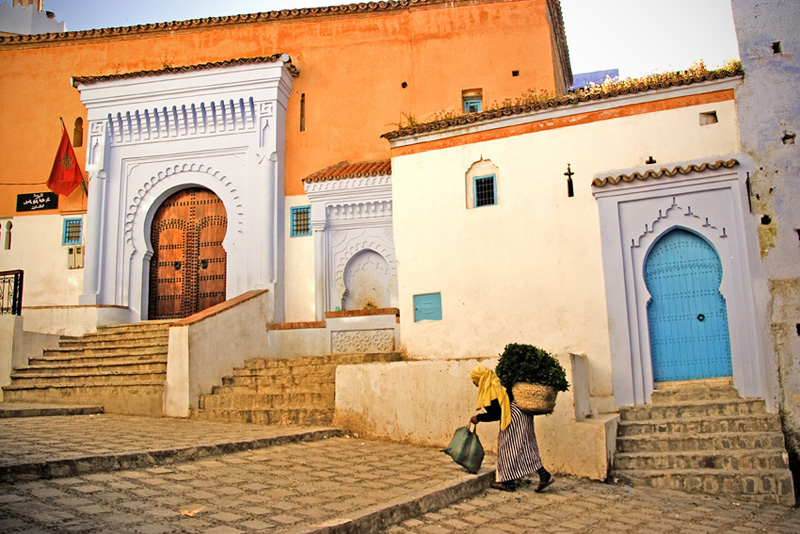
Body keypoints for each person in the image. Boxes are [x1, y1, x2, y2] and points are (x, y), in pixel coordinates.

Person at [469, 365, 554, 492]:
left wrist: (479, 418)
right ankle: (543, 474)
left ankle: (508, 483)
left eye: (474, 379)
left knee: (508, 448)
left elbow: (496, 413)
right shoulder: (498, 381)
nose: (474, 382)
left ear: (480, 378)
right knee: (527, 446)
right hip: (524, 413)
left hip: (513, 417)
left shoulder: (489, 389)